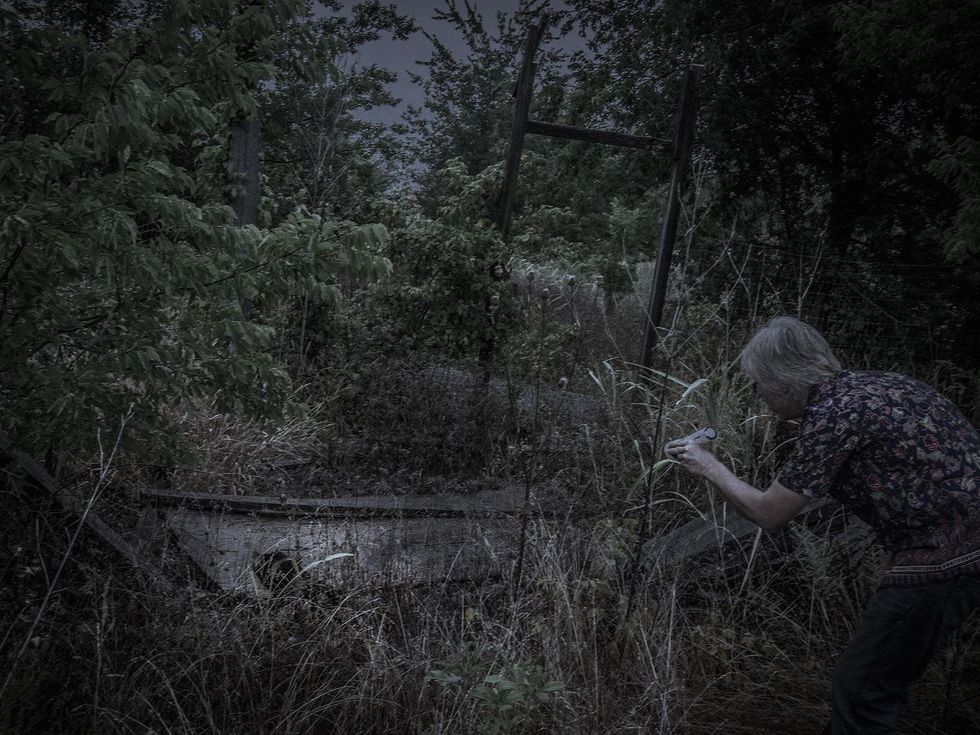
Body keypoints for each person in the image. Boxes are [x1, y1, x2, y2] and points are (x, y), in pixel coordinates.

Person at [665, 315, 980, 734]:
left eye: (758, 384)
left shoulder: (833, 416)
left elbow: (770, 513)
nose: (759, 396)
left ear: (779, 380)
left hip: (944, 553)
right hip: (962, 540)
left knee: (864, 686)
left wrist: (709, 466)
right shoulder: (883, 384)